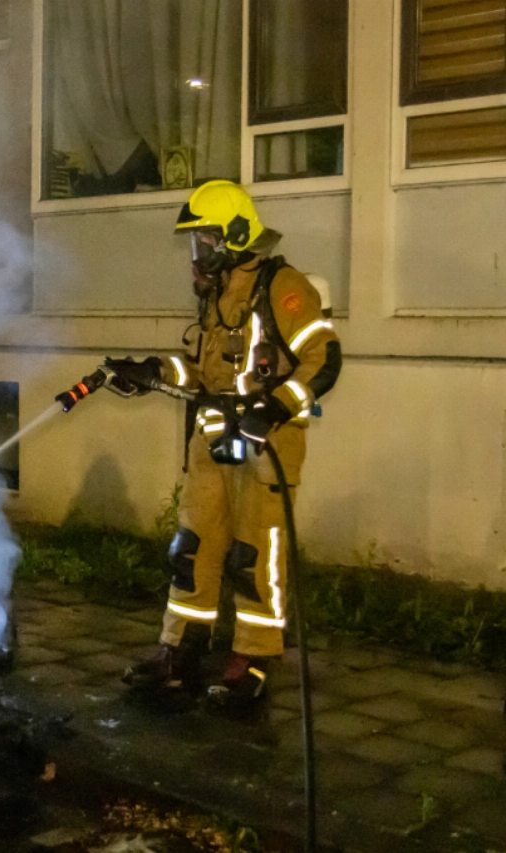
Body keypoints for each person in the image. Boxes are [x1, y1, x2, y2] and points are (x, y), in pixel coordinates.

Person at [60, 181, 342, 708]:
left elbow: (324, 361)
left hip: (266, 446)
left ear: (235, 237)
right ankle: (180, 652)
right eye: (196, 244)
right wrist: (150, 371)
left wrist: (275, 405)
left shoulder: (283, 288)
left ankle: (252, 660)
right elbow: (203, 374)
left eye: (204, 242)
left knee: (255, 557)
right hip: (212, 442)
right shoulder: (217, 297)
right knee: (191, 551)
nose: (197, 255)